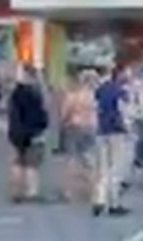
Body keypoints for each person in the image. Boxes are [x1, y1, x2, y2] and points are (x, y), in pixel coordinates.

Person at [7, 64, 49, 204]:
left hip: (17, 133)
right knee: (32, 164)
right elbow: (42, 114)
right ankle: (31, 193)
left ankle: (16, 191)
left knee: (18, 162)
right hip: (34, 132)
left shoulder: (15, 93)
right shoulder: (35, 93)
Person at [93, 66, 131, 217]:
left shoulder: (100, 90)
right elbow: (123, 111)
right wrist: (127, 128)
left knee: (102, 168)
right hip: (116, 131)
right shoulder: (121, 92)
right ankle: (114, 203)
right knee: (115, 168)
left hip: (101, 131)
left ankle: (99, 200)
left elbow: (95, 108)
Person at [60, 69, 99, 205]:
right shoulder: (96, 97)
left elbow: (65, 113)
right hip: (92, 127)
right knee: (89, 158)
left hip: (75, 126)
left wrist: (64, 122)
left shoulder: (74, 96)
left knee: (72, 158)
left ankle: (70, 192)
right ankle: (93, 190)